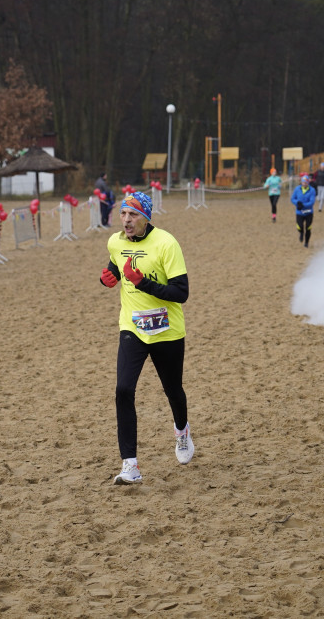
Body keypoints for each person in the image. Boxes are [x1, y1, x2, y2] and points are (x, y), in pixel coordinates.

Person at [99, 191, 193, 485]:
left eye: (133, 215)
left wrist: (146, 284)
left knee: (173, 391)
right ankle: (130, 465)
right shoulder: (115, 242)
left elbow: (182, 293)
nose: (126, 221)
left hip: (166, 330)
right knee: (123, 390)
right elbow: (117, 266)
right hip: (132, 328)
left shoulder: (166, 243)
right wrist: (107, 277)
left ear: (146, 218)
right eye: (124, 214)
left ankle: (182, 432)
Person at [290, 174, 316, 247]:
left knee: (308, 227)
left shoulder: (312, 190)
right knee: (299, 226)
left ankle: (306, 242)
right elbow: (292, 199)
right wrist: (297, 203)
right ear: (301, 182)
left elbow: (312, 202)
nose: (304, 184)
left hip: (309, 212)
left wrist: (303, 205)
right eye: (303, 182)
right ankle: (301, 233)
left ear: (308, 183)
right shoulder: (297, 189)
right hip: (299, 212)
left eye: (306, 182)